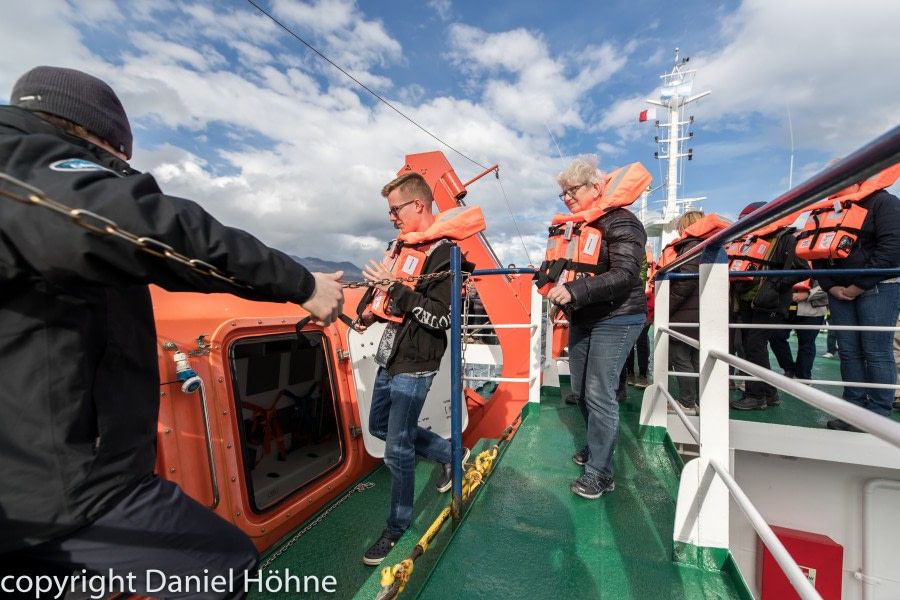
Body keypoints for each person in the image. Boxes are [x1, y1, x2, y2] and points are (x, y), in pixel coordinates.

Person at [0, 66, 345, 597]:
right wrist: (299, 282)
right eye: (113, 164)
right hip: (69, 489)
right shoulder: (19, 164)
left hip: (42, 485)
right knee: (223, 564)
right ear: (91, 137)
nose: (115, 174)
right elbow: (136, 222)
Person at [353, 172, 479, 565]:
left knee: (397, 448)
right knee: (379, 427)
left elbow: (440, 318)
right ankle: (449, 454)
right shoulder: (402, 246)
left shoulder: (446, 253)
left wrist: (394, 287)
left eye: (395, 210)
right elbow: (385, 298)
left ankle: (396, 527)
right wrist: (366, 318)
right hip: (390, 355)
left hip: (418, 360)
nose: (391, 218)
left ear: (418, 205)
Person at [543, 156, 647, 500]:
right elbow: (570, 267)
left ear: (597, 188)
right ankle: (596, 446)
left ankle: (601, 472)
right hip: (584, 315)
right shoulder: (578, 227)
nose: (568, 197)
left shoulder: (622, 222)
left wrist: (573, 290)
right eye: (564, 193)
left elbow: (625, 274)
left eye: (573, 189)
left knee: (600, 392)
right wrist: (545, 280)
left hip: (618, 317)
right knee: (581, 390)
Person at [803, 167, 900, 430]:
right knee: (848, 352)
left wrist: (857, 286)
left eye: (837, 179)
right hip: (838, 291)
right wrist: (831, 286)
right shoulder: (829, 211)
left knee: (876, 352)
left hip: (879, 287)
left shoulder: (884, 202)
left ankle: (877, 414)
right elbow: (817, 252)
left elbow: (891, 249)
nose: (831, 186)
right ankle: (854, 409)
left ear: (857, 177)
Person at [728, 202, 808, 411]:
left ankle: (755, 395)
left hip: (769, 303)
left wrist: (774, 286)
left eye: (745, 219)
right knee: (750, 347)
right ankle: (769, 393)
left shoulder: (785, 239)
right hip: (746, 301)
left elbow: (801, 269)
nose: (742, 224)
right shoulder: (749, 241)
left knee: (755, 346)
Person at [659, 211, 730, 414]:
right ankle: (700, 401)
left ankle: (687, 403)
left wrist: (665, 307)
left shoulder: (692, 247)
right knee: (696, 358)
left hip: (686, 312)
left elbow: (684, 282)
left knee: (681, 357)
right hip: (703, 311)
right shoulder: (711, 246)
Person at [769, 279, 828, 380]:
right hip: (783, 308)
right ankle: (789, 369)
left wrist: (808, 294)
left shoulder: (820, 263)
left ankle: (802, 376)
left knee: (807, 344)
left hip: (812, 310)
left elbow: (831, 283)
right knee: (775, 336)